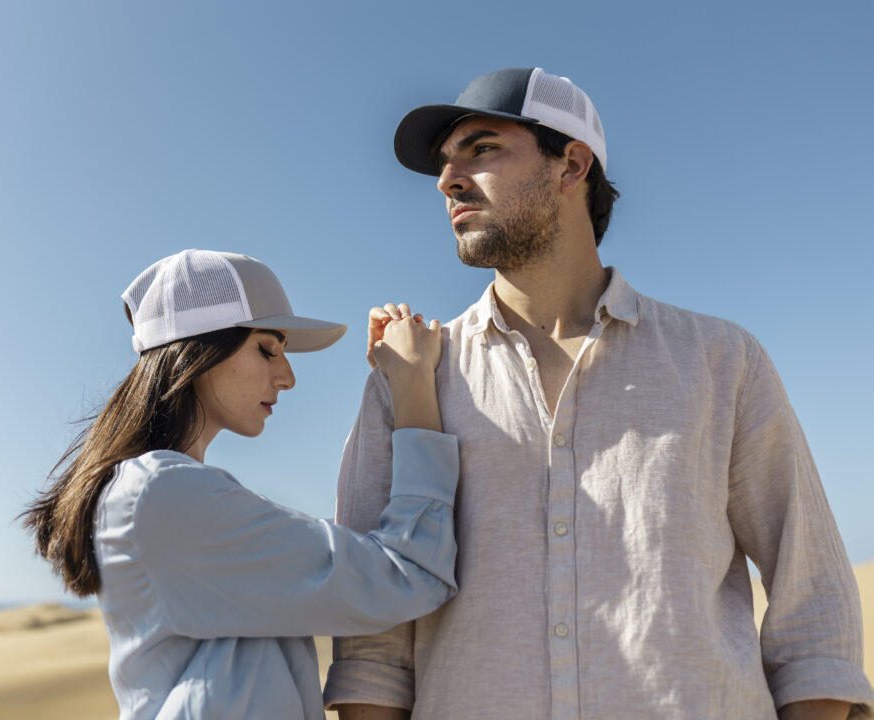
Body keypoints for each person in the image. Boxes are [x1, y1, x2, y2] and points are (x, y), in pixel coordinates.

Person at [325, 69, 874, 719]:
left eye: (482, 149)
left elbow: (814, 603)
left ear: (571, 165)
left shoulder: (721, 360)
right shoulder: (410, 375)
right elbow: (372, 638)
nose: (447, 181)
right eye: (445, 164)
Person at [21, 248, 460, 720]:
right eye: (267, 349)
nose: (287, 376)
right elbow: (409, 575)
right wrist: (412, 384)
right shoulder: (165, 497)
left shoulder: (159, 494)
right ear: (199, 351)